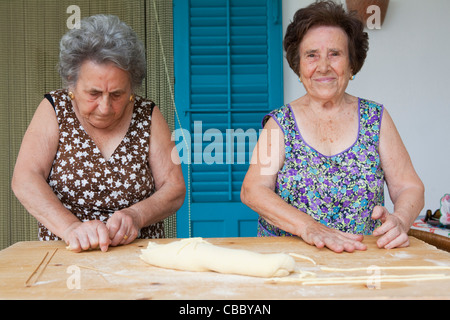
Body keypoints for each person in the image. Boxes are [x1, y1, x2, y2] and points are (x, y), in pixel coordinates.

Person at [241, 1, 424, 253]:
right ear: (299, 65)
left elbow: (409, 186)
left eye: (335, 54)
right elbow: (253, 189)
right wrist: (309, 227)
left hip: (362, 260)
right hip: (290, 262)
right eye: (312, 55)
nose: (323, 66)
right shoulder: (280, 124)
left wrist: (401, 220)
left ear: (352, 64)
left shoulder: (376, 118)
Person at [12, 15, 185, 252]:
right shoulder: (55, 109)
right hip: (66, 254)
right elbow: (25, 179)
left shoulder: (148, 114)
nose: (105, 107)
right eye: (93, 93)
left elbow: (174, 188)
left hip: (138, 255)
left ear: (132, 86)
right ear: (71, 82)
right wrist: (71, 228)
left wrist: (137, 214)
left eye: (117, 95)